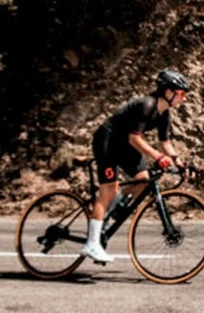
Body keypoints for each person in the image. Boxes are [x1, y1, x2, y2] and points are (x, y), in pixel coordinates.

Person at [79, 68, 192, 263]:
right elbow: (135, 139)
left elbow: (165, 143)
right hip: (107, 141)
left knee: (144, 181)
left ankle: (110, 210)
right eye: (180, 93)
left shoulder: (164, 114)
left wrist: (178, 161)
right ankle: (91, 244)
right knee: (108, 190)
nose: (183, 98)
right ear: (168, 91)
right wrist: (158, 157)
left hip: (124, 144)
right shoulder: (147, 105)